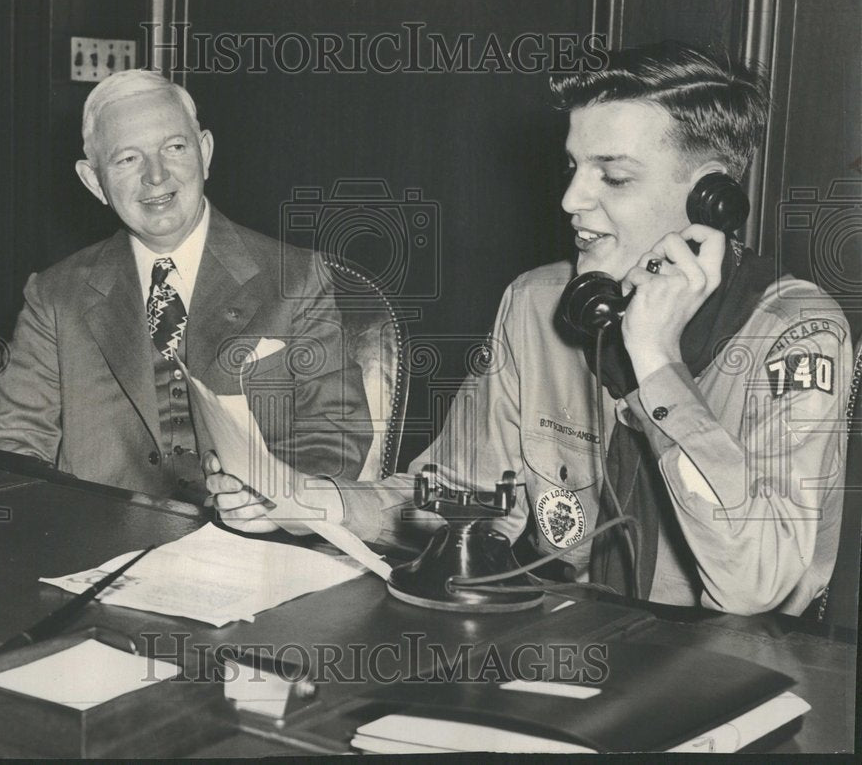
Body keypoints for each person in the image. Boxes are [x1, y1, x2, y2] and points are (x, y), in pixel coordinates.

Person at [208, 43, 852, 616]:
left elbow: (757, 586)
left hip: (728, 681)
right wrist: (310, 502)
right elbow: (460, 493)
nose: (573, 199)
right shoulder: (540, 302)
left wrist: (656, 363)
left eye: (614, 175)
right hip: (565, 648)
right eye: (573, 167)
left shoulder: (796, 334)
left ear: (712, 198)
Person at [0, 70, 372, 499]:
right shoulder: (55, 297)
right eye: (127, 159)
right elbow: (8, 445)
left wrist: (276, 500)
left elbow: (334, 433)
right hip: (100, 548)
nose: (156, 176)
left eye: (174, 148)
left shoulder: (297, 278)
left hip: (252, 546)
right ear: (95, 182)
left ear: (204, 152)